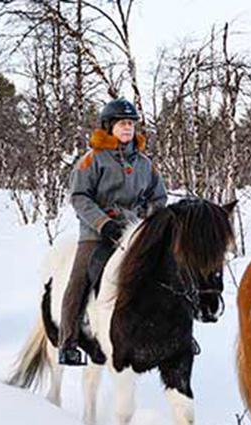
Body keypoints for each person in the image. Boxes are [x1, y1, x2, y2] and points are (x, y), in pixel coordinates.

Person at [57, 98, 169, 366]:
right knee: (79, 280)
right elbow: (80, 197)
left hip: (133, 230)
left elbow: (160, 198)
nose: (128, 128)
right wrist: (103, 223)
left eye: (131, 123)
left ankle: (170, 331)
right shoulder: (92, 160)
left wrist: (144, 217)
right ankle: (68, 342)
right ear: (109, 127)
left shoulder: (145, 163)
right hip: (97, 232)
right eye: (122, 123)